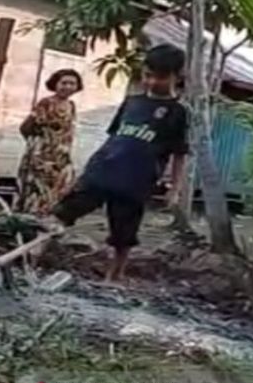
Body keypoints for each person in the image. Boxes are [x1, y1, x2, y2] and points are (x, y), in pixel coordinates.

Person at [47, 44, 189, 282]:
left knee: (124, 234)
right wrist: (89, 167)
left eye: (160, 77)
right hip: (102, 171)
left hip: (136, 181)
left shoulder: (178, 113)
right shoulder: (132, 102)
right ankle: (35, 253)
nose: (152, 81)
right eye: (147, 75)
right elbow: (113, 137)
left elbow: (179, 153)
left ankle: (114, 276)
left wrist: (175, 190)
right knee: (62, 212)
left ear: (177, 77)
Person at [14, 69, 82, 215]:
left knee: (59, 189)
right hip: (42, 157)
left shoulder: (71, 105)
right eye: (64, 83)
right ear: (55, 84)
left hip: (61, 157)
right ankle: (29, 222)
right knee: (37, 191)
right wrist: (39, 147)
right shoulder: (46, 103)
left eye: (72, 83)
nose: (68, 87)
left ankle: (45, 221)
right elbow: (25, 127)